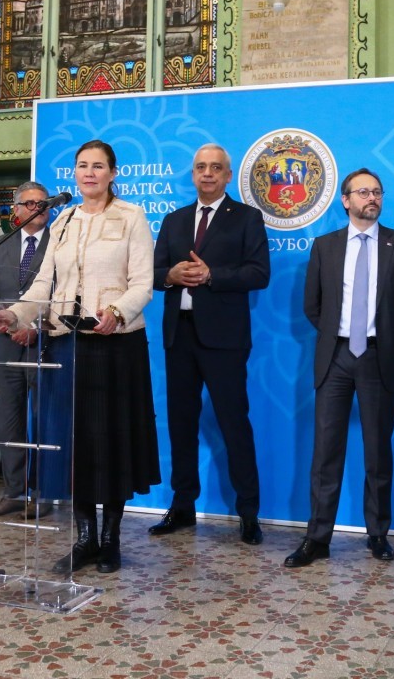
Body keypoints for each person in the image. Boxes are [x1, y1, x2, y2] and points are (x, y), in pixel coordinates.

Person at [0, 140, 159, 575]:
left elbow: (144, 283)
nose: (89, 173)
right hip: (68, 343)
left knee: (112, 442)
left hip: (116, 344)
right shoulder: (63, 220)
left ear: (113, 173)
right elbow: (43, 284)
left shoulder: (132, 216)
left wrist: (117, 311)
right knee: (76, 442)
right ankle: (84, 539)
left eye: (98, 166)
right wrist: (14, 313)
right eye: (82, 165)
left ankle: (111, 540)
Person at [284, 168, 394, 568]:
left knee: (378, 450)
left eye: (377, 191)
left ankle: (377, 534)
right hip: (336, 357)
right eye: (363, 192)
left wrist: (388, 336)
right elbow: (312, 305)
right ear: (345, 200)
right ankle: (317, 538)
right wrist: (339, 335)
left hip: (379, 357)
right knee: (325, 451)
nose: (372, 198)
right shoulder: (325, 246)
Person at [150, 144, 271, 545]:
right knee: (181, 425)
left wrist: (211, 275)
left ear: (227, 175)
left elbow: (259, 273)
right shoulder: (174, 220)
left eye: (215, 168)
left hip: (225, 340)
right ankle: (183, 505)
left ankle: (248, 513)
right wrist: (171, 275)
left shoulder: (247, 218)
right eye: (201, 167)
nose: (207, 173)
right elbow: (153, 273)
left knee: (234, 424)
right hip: (179, 335)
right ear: (193, 174)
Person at [0, 181, 52, 517]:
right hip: (6, 344)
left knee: (44, 419)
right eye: (31, 203)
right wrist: (9, 322)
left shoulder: (59, 243)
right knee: (10, 419)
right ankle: (14, 493)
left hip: (44, 344)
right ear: (16, 210)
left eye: (43, 203)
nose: (39, 208)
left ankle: (44, 493)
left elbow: (62, 291)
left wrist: (33, 327)